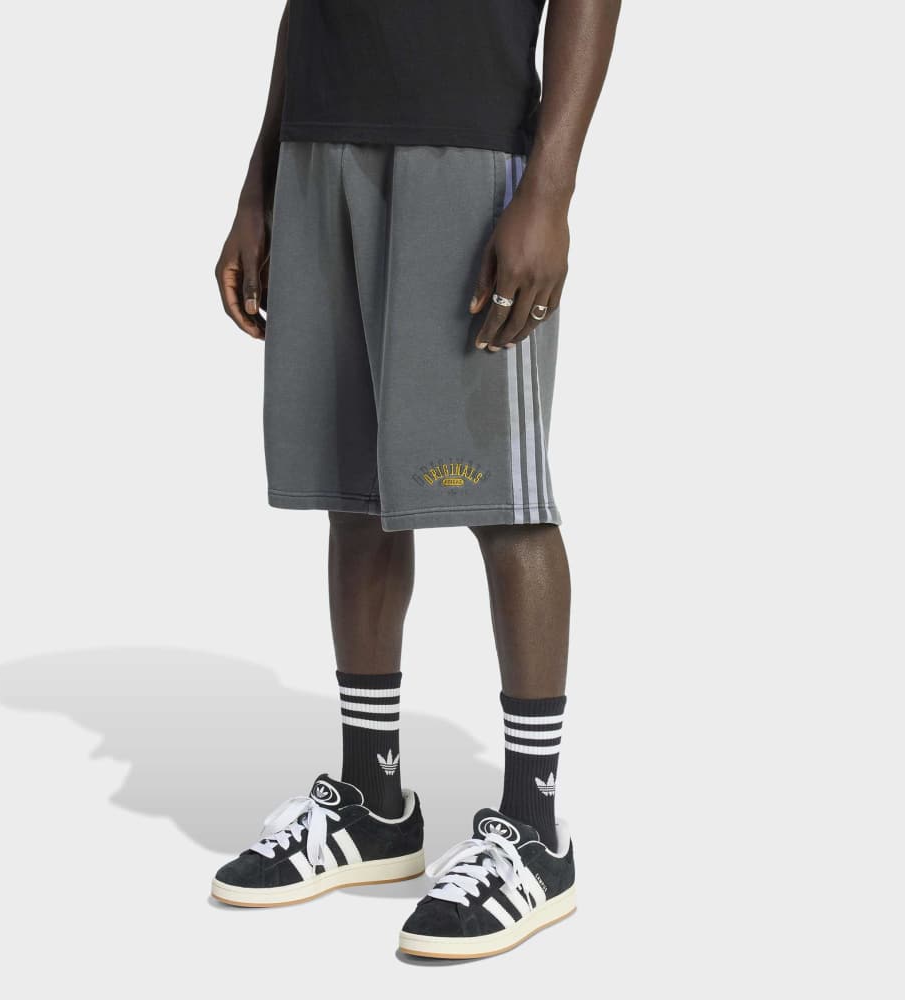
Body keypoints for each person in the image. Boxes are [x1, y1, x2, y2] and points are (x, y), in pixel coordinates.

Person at [211, 0, 620, 959]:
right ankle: (372, 802)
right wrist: (259, 185)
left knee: (504, 499)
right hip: (319, 150)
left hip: (469, 153)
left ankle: (535, 831)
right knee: (354, 494)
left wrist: (550, 189)